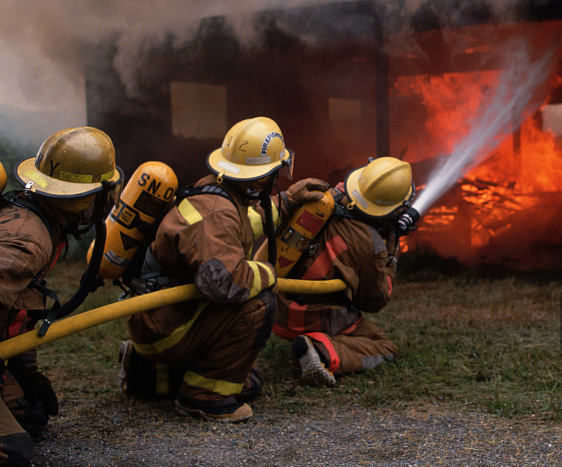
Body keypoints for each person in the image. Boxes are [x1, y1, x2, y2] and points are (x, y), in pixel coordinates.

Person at [122, 116, 327, 423]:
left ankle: (150, 374)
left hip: (161, 316)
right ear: (262, 176)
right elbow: (224, 283)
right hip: (166, 328)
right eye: (275, 173)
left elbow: (249, 224)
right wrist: (270, 273)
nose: (277, 179)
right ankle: (205, 397)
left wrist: (288, 200)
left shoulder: (218, 194)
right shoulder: (217, 214)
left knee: (250, 377)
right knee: (258, 304)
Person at [0, 127, 122, 466]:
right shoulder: (29, 241)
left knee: (31, 413)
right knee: (12, 451)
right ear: (84, 198)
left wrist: (24, 370)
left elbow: (15, 309)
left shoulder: (42, 221)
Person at [272, 156, 415, 386]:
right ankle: (323, 351)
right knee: (385, 346)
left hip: (274, 305)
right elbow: (373, 301)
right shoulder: (373, 245)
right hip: (309, 317)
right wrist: (392, 254)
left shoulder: (325, 199)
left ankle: (313, 343)